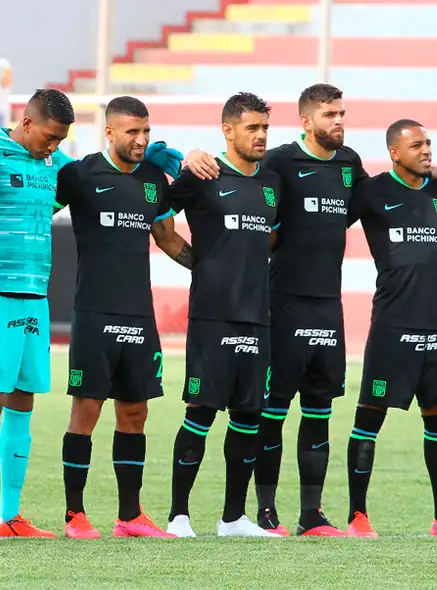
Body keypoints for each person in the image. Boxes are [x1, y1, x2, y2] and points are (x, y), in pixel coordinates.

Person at [182, 84, 363, 537]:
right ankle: (263, 512)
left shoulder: (349, 164)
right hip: (278, 305)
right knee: (268, 411)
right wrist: (186, 155)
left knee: (320, 409)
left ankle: (312, 515)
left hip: (329, 306)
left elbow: (374, 203)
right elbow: (225, 193)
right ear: (306, 121)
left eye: (342, 113)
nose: (338, 121)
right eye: (329, 114)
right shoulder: (277, 163)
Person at [54, 96, 190, 539]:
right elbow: (37, 212)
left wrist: (211, 270)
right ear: (109, 132)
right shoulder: (79, 175)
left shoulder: (154, 180)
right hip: (94, 311)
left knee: (135, 414)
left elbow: (169, 240)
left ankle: (130, 516)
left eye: (146, 131)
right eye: (132, 132)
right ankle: (75, 515)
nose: (141, 140)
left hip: (138, 313)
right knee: (87, 410)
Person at [165, 92, 281, 538]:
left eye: (265, 128)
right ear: (228, 130)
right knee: (201, 411)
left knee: (248, 416)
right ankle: (178, 517)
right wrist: (200, 262)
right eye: (252, 128)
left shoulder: (272, 183)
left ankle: (234, 517)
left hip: (258, 316)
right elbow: (160, 219)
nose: (260, 136)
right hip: (213, 316)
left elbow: (270, 237)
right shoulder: (202, 174)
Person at [0, 89, 74, 538]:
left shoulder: (57, 165)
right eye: (49, 137)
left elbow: (94, 177)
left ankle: (9, 516)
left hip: (36, 295)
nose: (54, 146)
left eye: (61, 140)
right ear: (27, 123)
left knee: (24, 398)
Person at [343, 119, 437, 538]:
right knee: (369, 419)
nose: (426, 150)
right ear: (394, 152)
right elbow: (325, 223)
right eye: (417, 145)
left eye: (429, 144)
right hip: (392, 328)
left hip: (436, 331)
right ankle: (358, 516)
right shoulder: (372, 192)